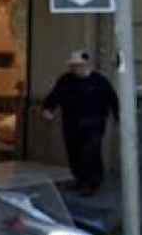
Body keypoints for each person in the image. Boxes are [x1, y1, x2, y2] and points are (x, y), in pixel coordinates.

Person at [41, 50, 118, 196]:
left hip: (94, 124)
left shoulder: (100, 81)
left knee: (90, 152)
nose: (75, 68)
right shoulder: (65, 80)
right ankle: (80, 179)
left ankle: (92, 182)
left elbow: (112, 98)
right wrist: (48, 108)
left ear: (87, 65)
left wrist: (117, 116)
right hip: (71, 124)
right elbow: (55, 95)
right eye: (73, 66)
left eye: (79, 65)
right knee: (74, 153)